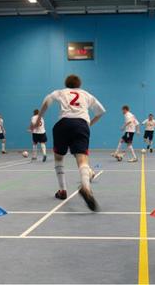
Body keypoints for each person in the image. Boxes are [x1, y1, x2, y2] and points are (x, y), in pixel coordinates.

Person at [33, 74, 105, 211]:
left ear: (66, 84)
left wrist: (38, 119)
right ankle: (86, 188)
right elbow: (101, 112)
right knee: (82, 159)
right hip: (81, 124)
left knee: (59, 158)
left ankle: (62, 190)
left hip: (63, 124)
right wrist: (89, 124)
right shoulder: (86, 94)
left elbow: (47, 101)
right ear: (79, 84)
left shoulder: (61, 92)